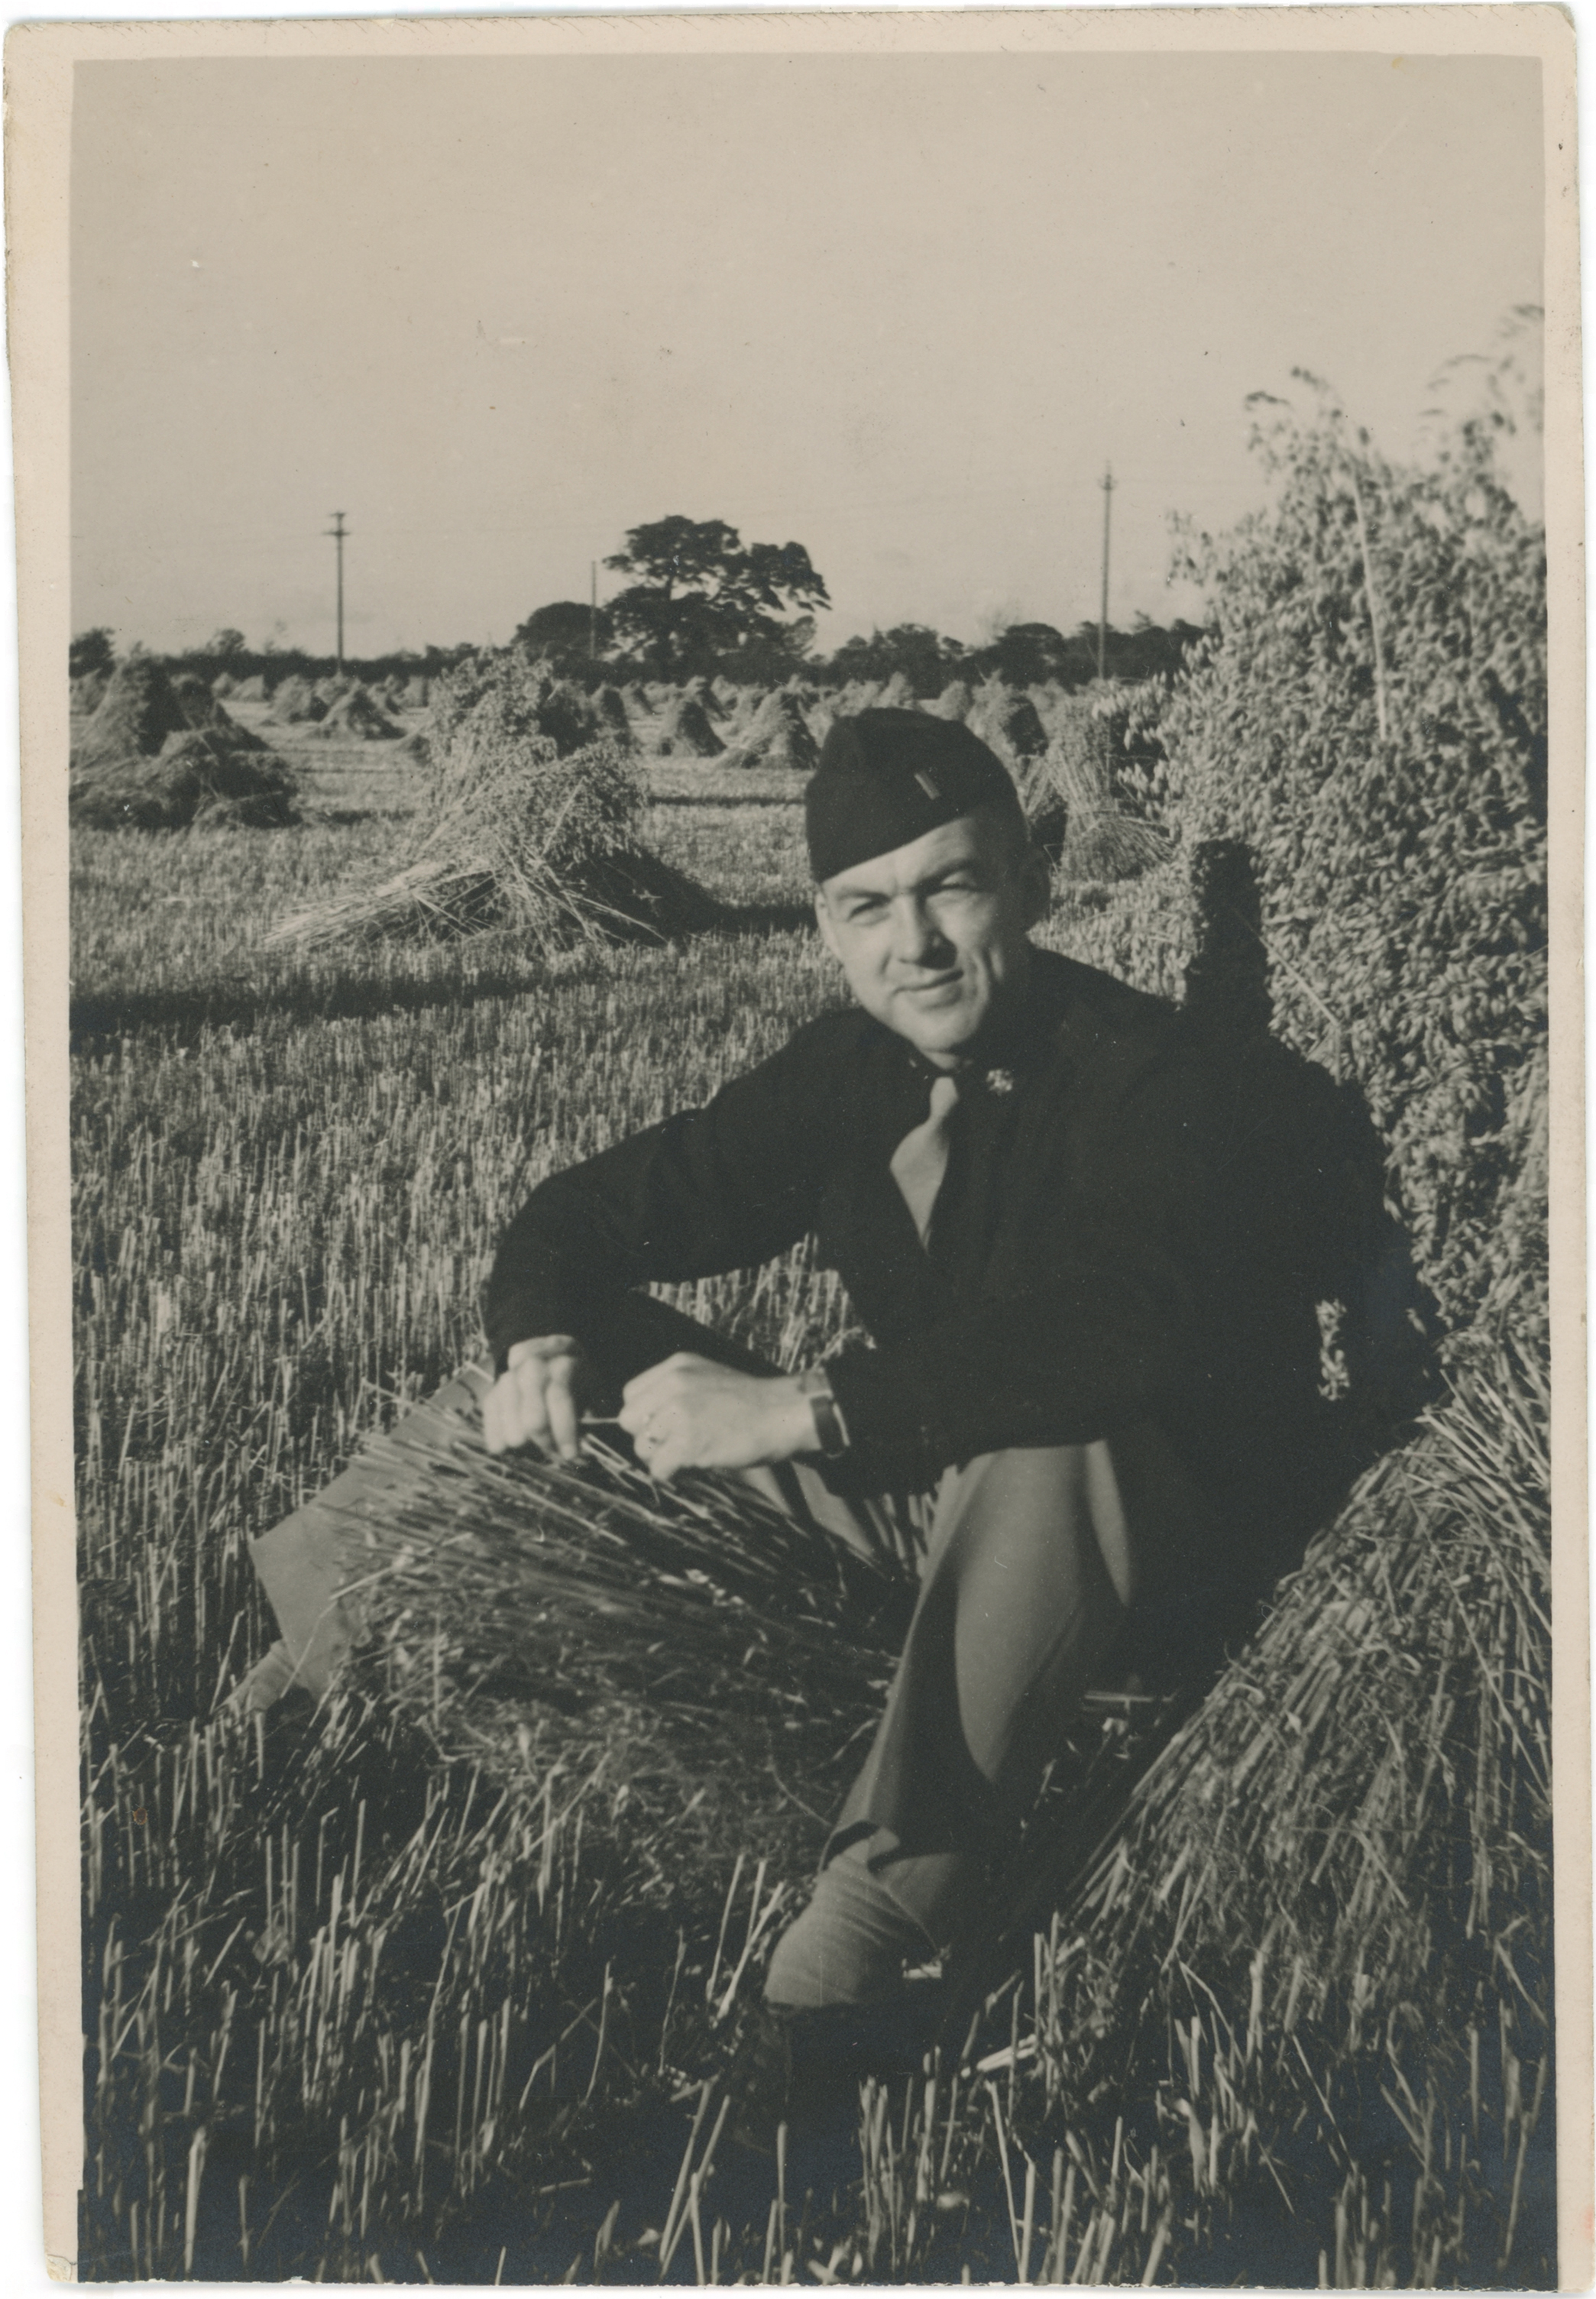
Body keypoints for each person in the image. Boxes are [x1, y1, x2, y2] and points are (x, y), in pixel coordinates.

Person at [468, 708, 1417, 2020]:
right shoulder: (848, 1070)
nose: (908, 946)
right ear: (824, 929)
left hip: (1146, 1538)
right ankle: (316, 1658)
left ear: (1030, 885)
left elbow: (1121, 1325)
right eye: (864, 908)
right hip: (932, 1490)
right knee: (571, 1364)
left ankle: (871, 1926)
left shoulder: (1162, 1077)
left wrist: (802, 1406)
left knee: (1059, 1420)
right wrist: (540, 1341)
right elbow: (579, 1217)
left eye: (949, 889)